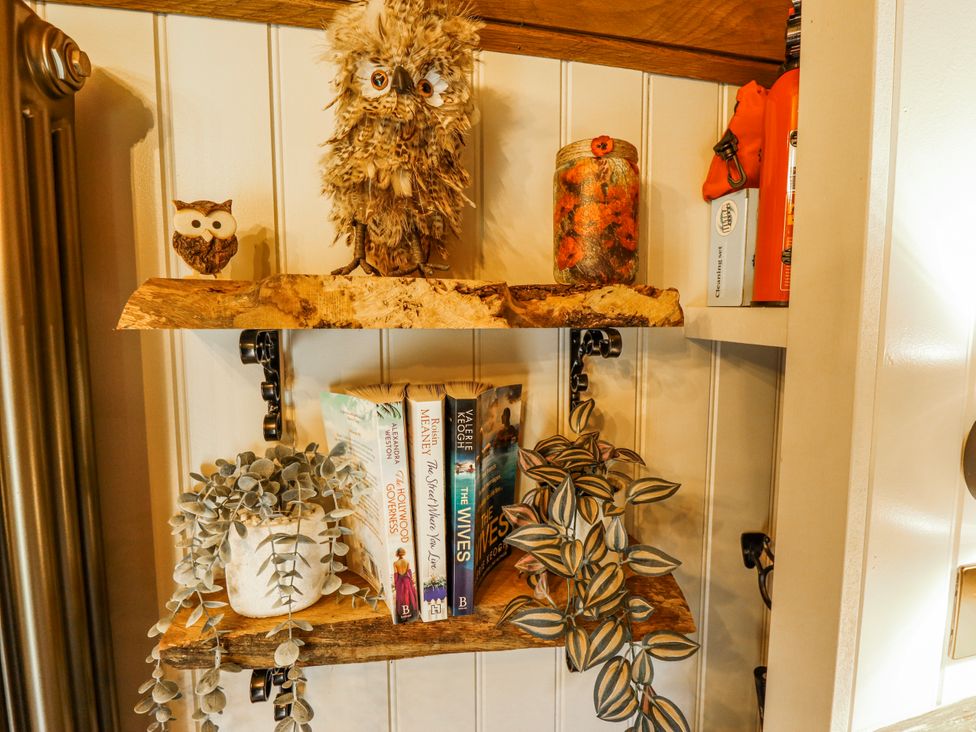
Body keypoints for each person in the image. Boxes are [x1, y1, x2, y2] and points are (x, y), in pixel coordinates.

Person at [393, 547, 419, 622]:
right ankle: (411, 611)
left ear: (397, 554)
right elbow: (409, 572)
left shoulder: (395, 563)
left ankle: (402, 612)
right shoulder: (407, 561)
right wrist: (411, 580)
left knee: (401, 596)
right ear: (403, 553)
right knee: (409, 595)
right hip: (407, 580)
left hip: (400, 581)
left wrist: (395, 584)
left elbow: (395, 574)